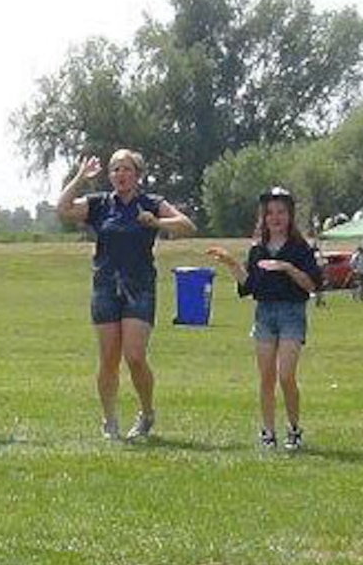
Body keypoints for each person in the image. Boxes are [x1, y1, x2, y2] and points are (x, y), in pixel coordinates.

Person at [56, 150, 196, 440]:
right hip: (105, 286)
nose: (120, 174)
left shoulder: (151, 203)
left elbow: (187, 226)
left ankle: (146, 413)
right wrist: (80, 178)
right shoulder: (100, 205)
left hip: (139, 287)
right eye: (115, 169)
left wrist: (158, 223)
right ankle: (109, 421)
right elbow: (63, 209)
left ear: (137, 174)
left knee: (134, 356)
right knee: (108, 358)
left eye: (126, 169)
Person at [205, 186, 324, 451]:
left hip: (292, 313)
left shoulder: (300, 248)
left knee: (286, 375)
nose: (275, 217)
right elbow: (250, 286)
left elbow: (312, 285)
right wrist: (231, 263)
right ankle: (268, 432)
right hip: (265, 313)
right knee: (266, 377)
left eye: (281, 212)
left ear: (290, 215)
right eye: (270, 213)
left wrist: (287, 268)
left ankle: (294, 429)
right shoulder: (258, 249)